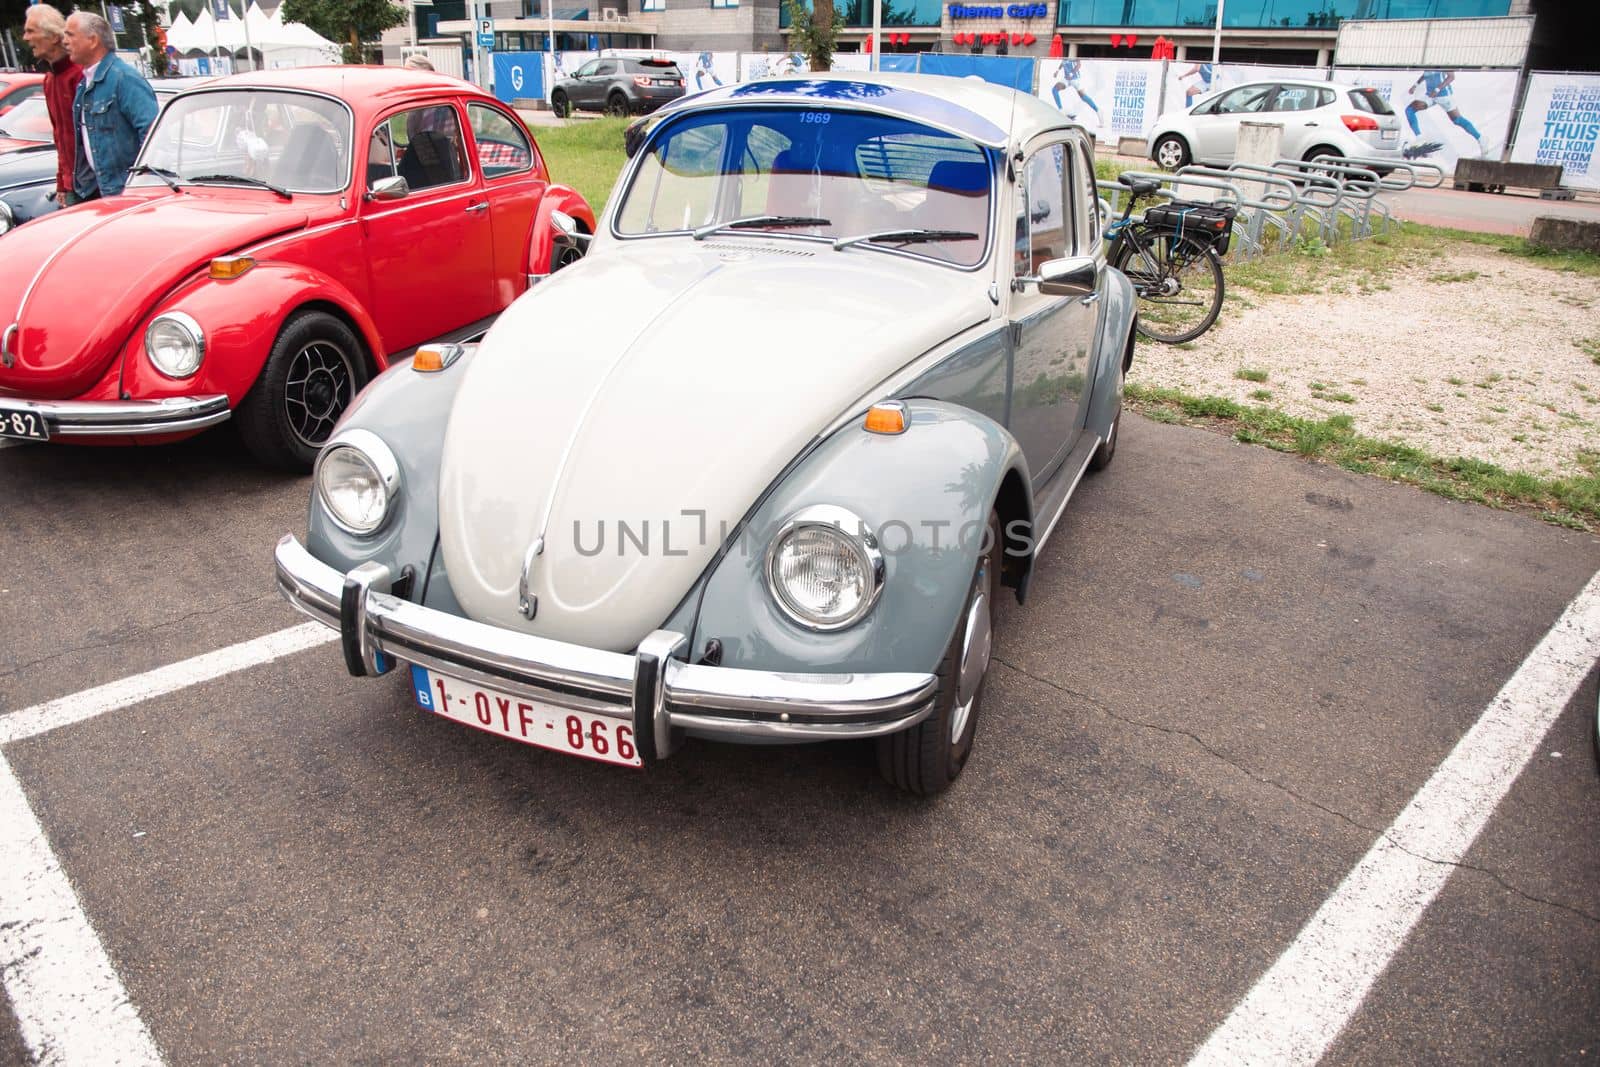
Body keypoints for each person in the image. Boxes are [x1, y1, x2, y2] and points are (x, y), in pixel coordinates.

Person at [62, 11, 157, 201]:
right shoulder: (85, 84)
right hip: (99, 191)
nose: (64, 41)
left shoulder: (123, 79)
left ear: (93, 40)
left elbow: (153, 136)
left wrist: (140, 186)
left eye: (70, 35)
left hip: (127, 194)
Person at [20, 4, 83, 207]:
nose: (25, 38)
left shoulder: (80, 75)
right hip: (72, 184)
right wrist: (61, 183)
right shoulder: (49, 80)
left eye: (31, 31)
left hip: (92, 184)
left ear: (55, 37)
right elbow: (60, 137)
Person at [1405, 71, 1491, 157]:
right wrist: (1415, 85)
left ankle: (1481, 139)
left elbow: (1451, 77)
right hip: (1430, 95)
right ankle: (1420, 138)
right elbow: (1426, 73)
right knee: (1410, 110)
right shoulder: (1429, 61)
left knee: (1457, 120)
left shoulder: (1442, 60)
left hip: (1443, 95)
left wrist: (1437, 89)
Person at [1049, 59, 1101, 124]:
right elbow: (1063, 62)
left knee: (1083, 97)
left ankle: (1098, 111)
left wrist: (1072, 73)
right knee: (1054, 90)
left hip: (1076, 79)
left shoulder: (1073, 54)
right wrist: (1057, 70)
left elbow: (1079, 64)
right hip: (1066, 79)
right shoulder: (1065, 55)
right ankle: (1061, 110)